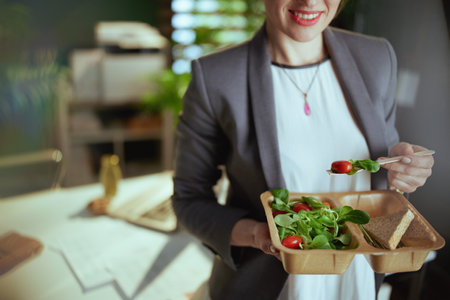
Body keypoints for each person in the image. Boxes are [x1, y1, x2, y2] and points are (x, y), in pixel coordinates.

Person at [172, 0, 435, 299]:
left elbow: (383, 185)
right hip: (268, 285)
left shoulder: (377, 57)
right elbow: (189, 200)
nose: (309, 2)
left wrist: (402, 175)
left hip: (356, 280)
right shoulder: (217, 76)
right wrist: (257, 234)